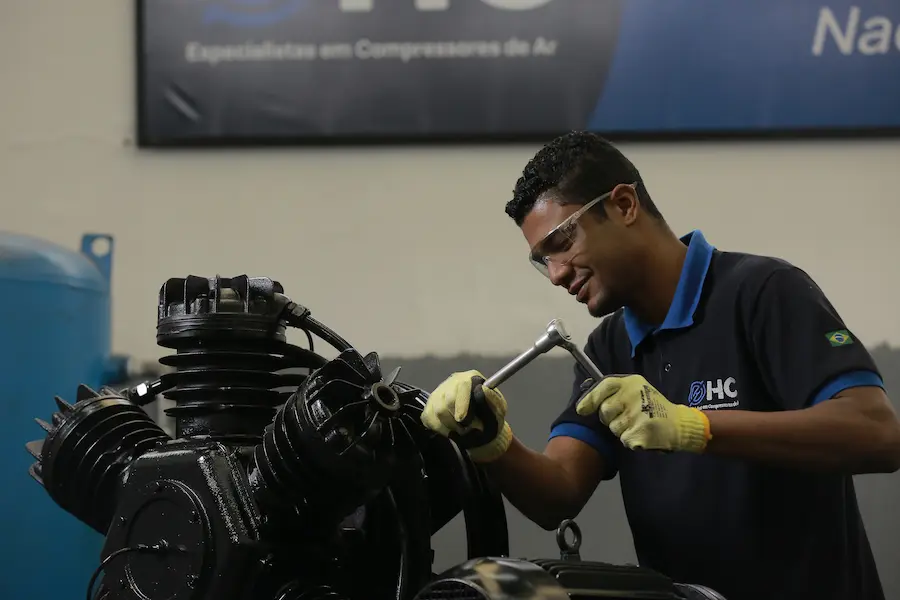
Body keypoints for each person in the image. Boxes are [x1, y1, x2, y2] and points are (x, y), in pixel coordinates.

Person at [420, 132, 900, 600]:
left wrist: (694, 426)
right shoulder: (607, 349)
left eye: (562, 241)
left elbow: (877, 435)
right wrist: (489, 440)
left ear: (625, 205)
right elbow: (558, 494)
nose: (558, 273)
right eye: (542, 261)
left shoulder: (763, 292)